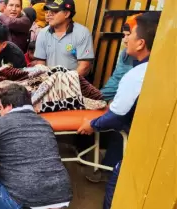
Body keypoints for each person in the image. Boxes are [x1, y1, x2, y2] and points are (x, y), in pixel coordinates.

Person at [76, 12, 161, 209]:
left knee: (115, 194)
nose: (125, 39)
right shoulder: (159, 69)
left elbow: (115, 117)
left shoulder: (137, 75)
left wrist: (92, 125)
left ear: (140, 43)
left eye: (129, 35)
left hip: (142, 149)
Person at [0, 84, 72, 208]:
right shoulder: (44, 123)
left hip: (24, 199)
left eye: (0, 108)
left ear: (8, 106)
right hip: (62, 196)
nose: (0, 112)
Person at [34, 0, 95, 76]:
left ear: (66, 14)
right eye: (48, 11)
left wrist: (65, 82)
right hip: (49, 81)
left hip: (73, 82)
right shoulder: (43, 33)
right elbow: (40, 64)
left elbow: (84, 66)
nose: (48, 14)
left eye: (54, 11)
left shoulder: (82, 33)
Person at [100, 14, 141, 102]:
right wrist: (98, 98)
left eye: (128, 35)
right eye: (124, 35)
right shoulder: (126, 54)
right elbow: (116, 80)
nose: (124, 40)